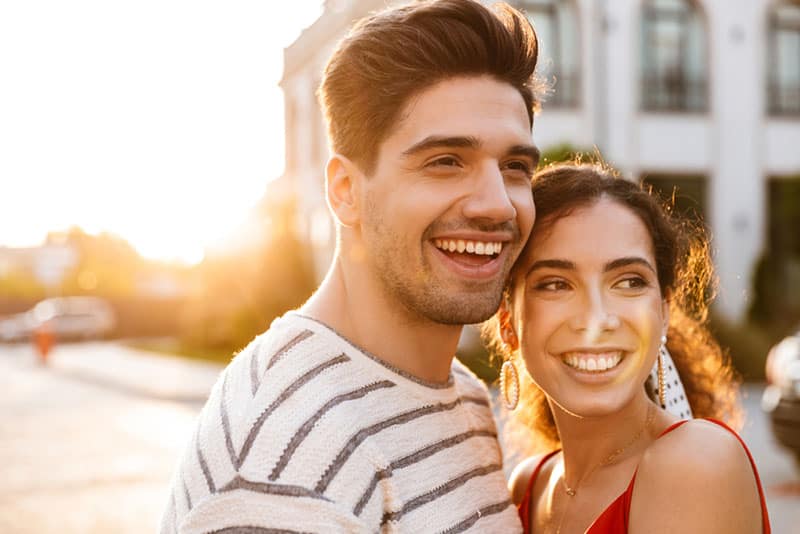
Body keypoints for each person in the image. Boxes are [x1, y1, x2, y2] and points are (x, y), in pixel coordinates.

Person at [160, 1, 543, 531]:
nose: (497, 204)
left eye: (515, 166)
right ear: (345, 190)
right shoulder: (284, 459)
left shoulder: (462, 395)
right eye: (445, 162)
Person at [489, 162, 771, 533]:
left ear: (664, 313)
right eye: (556, 284)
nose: (596, 319)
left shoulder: (697, 463)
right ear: (508, 323)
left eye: (628, 282)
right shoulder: (528, 485)